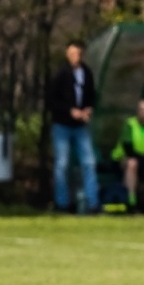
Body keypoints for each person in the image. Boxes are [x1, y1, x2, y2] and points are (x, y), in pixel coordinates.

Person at [46, 39, 98, 213]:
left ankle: (92, 203)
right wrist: (70, 111)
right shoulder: (61, 74)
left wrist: (88, 110)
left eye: (77, 54)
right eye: (71, 54)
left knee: (89, 163)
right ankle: (62, 203)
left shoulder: (87, 73)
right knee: (62, 164)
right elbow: (51, 101)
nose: (74, 57)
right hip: (62, 125)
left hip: (81, 126)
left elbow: (91, 96)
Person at [112, 99, 144, 211]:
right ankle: (130, 199)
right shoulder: (129, 124)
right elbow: (128, 148)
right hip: (124, 159)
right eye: (142, 110)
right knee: (132, 163)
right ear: (137, 112)